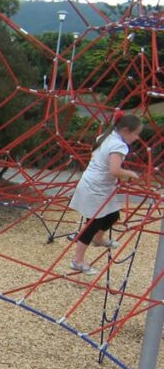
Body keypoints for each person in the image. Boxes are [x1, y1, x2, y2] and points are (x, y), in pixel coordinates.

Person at [68, 113, 144, 275]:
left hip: (97, 185)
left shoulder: (105, 137)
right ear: (125, 130)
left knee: (113, 215)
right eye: (136, 133)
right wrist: (130, 174)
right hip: (95, 188)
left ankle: (98, 239)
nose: (137, 138)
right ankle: (77, 261)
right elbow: (115, 170)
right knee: (92, 224)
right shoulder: (118, 145)